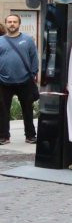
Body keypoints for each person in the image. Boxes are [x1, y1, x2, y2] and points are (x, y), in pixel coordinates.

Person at [0, 13, 38, 146]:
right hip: (4, 82)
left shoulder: (27, 40)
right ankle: (4, 136)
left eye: (14, 22)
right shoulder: (1, 40)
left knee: (27, 109)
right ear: (6, 23)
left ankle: (30, 136)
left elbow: (34, 57)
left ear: (19, 24)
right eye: (9, 21)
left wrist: (33, 73)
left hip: (25, 81)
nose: (12, 24)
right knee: (3, 111)